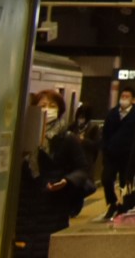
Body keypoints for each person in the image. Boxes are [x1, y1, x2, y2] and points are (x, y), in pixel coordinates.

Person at [14, 90, 93, 258]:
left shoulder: (67, 139)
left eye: (52, 106)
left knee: (47, 248)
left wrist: (66, 181)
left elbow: (82, 169)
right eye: (42, 105)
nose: (47, 110)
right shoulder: (21, 134)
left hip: (53, 204)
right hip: (24, 204)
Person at [100, 87, 135, 220]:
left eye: (127, 97)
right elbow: (105, 133)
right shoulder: (112, 113)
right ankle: (112, 202)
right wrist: (105, 149)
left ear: (132, 99)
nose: (124, 99)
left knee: (125, 182)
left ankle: (124, 205)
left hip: (128, 155)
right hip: (111, 154)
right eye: (123, 96)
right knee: (107, 179)